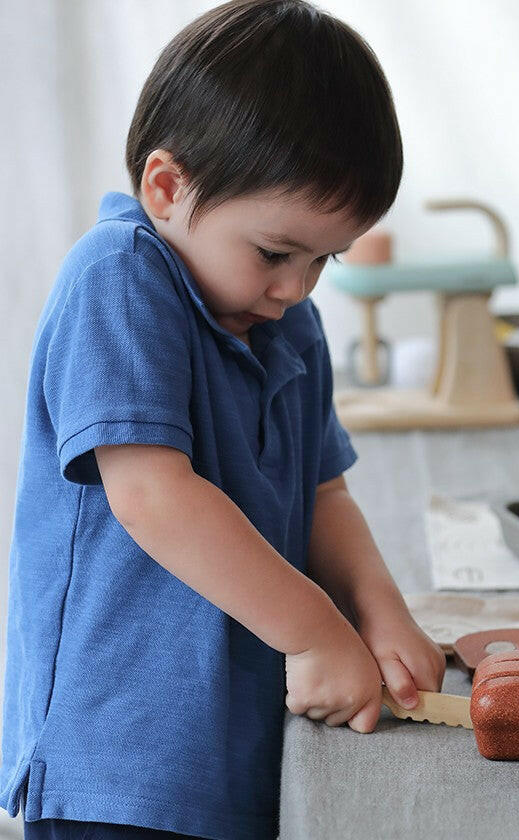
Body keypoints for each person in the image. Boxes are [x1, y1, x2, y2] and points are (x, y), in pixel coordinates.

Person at [1, 2, 445, 838]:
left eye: (326, 259)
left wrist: (379, 609)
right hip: (123, 755)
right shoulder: (120, 277)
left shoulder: (287, 320)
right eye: (278, 253)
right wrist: (316, 632)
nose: (299, 287)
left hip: (233, 741)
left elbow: (324, 493)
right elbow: (152, 496)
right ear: (167, 188)